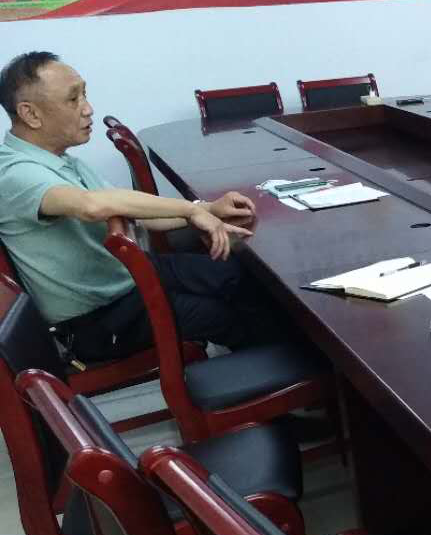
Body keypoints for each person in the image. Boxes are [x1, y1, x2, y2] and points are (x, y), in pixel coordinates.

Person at [0, 51, 285, 364]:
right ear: (30, 114)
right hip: (98, 318)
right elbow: (91, 206)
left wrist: (207, 209)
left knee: (236, 274)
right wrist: (191, 212)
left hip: (127, 280)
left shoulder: (58, 159)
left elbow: (133, 210)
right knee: (220, 314)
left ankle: (293, 366)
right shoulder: (14, 172)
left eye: (84, 94)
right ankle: (280, 380)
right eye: (73, 99)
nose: (88, 108)